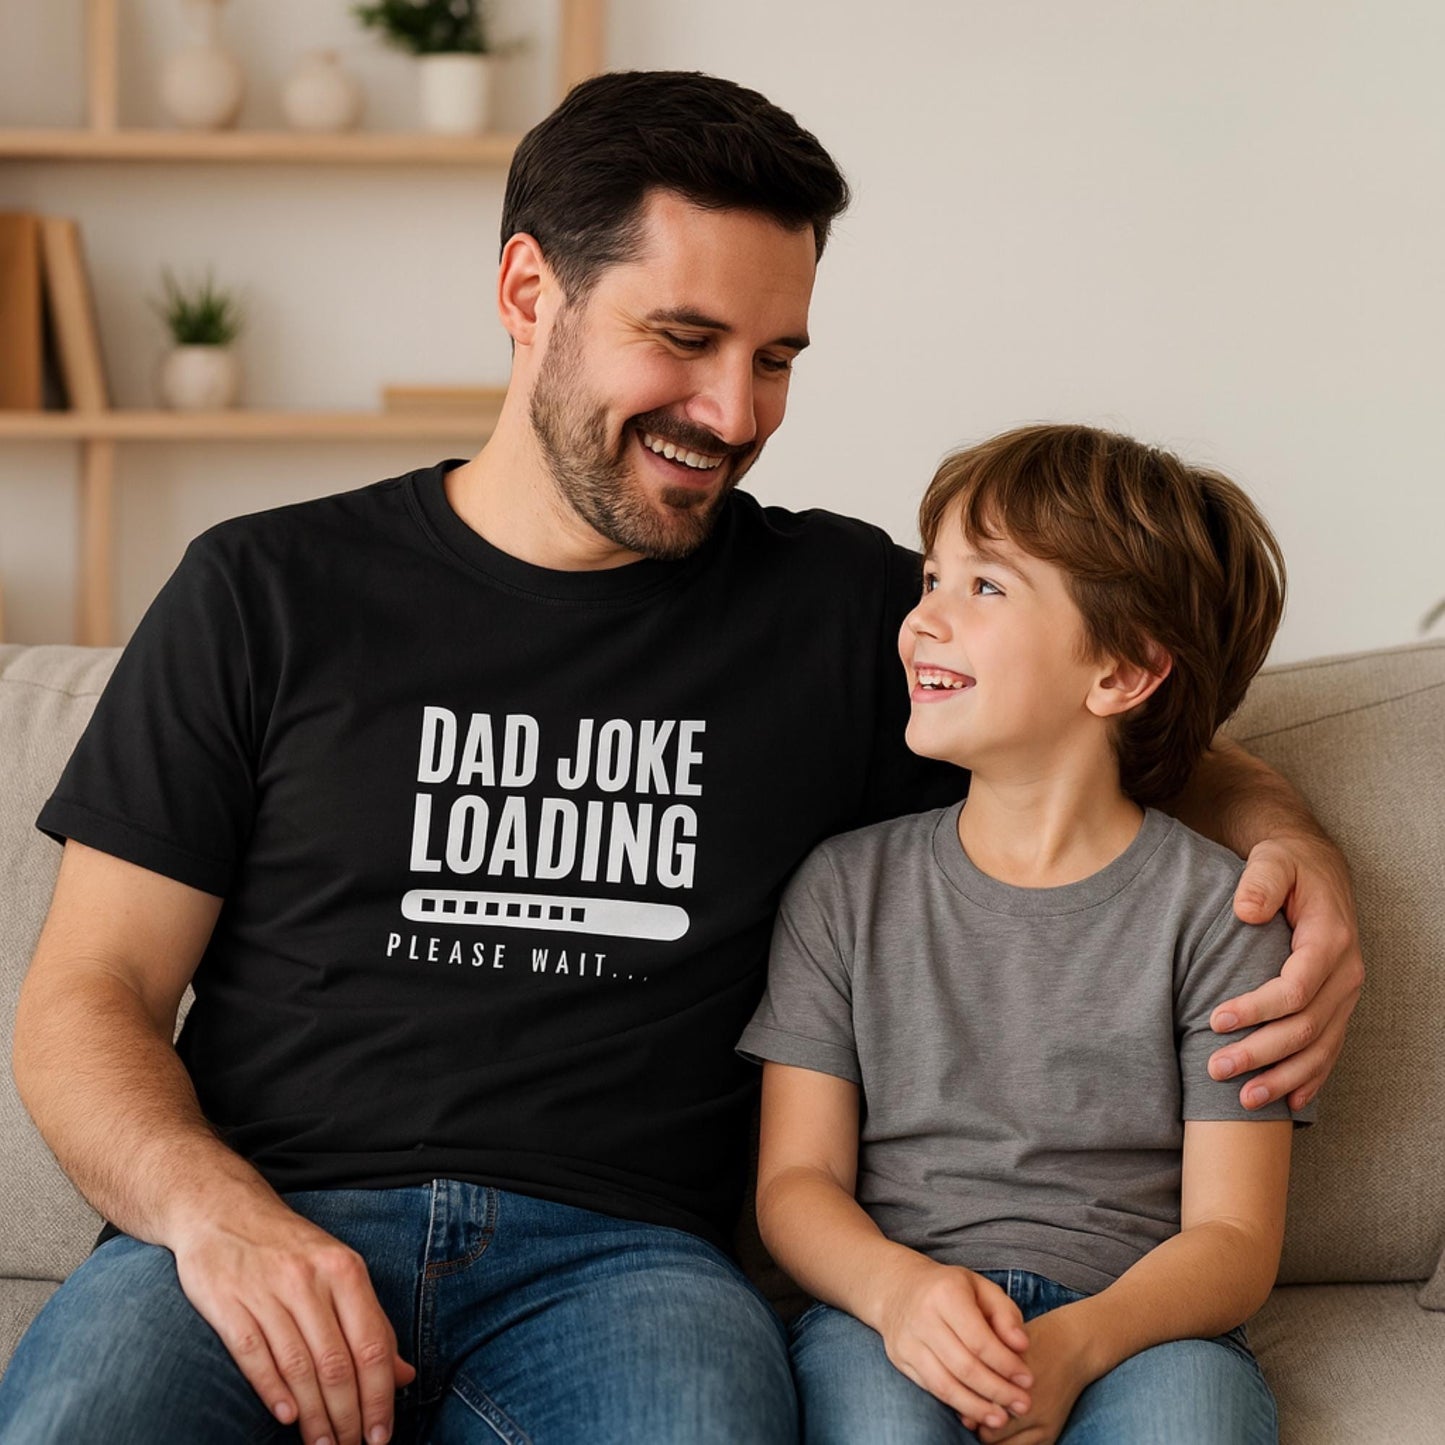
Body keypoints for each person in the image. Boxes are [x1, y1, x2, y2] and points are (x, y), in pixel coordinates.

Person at [0, 73, 1358, 1445]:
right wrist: (212, 1219)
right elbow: (87, 999)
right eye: (685, 338)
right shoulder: (264, 589)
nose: (733, 412)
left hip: (621, 1268)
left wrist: (1286, 841)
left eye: (774, 357)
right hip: (260, 1219)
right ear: (531, 292)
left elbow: (1109, 711)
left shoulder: (837, 613)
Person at [741, 424, 1310, 1444]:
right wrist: (901, 1294)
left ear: (1122, 672)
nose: (922, 620)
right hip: (893, 1313)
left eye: (983, 587)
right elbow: (794, 1182)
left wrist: (1083, 1341)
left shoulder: (1217, 914)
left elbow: (1231, 1236)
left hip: (1137, 1328)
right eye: (929, 579)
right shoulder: (842, 888)